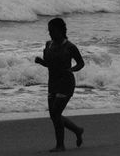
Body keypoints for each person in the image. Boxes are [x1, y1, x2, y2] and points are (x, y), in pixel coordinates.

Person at [34, 17, 85, 151]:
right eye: (49, 31)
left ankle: (60, 145)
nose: (50, 33)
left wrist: (72, 69)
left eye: (52, 31)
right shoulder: (48, 44)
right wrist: (41, 62)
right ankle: (77, 130)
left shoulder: (70, 46)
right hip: (53, 83)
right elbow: (50, 64)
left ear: (61, 30)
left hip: (66, 83)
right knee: (53, 115)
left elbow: (81, 63)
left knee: (56, 114)